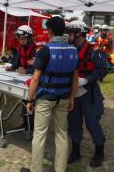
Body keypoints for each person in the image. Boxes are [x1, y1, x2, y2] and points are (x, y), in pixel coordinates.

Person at [20, 16, 79, 172]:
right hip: (64, 97)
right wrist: (72, 97)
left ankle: (36, 169)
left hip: (46, 97)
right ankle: (60, 169)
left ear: (50, 31)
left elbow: (35, 78)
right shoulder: (74, 50)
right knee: (62, 134)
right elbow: (75, 78)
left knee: (39, 135)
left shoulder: (45, 50)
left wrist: (29, 101)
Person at [66, 21, 107, 167]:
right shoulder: (69, 50)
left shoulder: (93, 50)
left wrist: (87, 80)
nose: (68, 36)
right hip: (73, 92)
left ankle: (99, 150)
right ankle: (75, 151)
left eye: (70, 33)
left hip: (89, 92)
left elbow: (103, 69)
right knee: (73, 123)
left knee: (92, 123)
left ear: (79, 33)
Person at [5, 25, 39, 133]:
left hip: (34, 80)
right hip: (23, 80)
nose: (21, 40)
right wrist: (12, 67)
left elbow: (38, 68)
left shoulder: (37, 50)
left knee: (30, 101)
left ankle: (31, 126)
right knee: (24, 100)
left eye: (23, 38)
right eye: (20, 38)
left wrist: (27, 71)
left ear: (29, 38)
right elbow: (18, 62)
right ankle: (25, 123)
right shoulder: (21, 48)